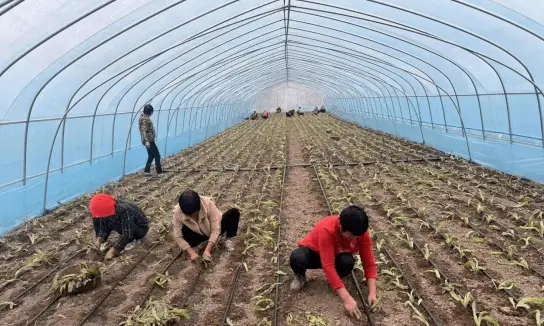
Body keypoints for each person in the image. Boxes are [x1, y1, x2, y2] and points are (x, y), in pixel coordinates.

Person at [289, 205, 377, 320]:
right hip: (314, 254)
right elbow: (328, 266)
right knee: (297, 257)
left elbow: (369, 262)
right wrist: (347, 298)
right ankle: (300, 277)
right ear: (341, 225)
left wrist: (372, 292)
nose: (355, 239)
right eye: (352, 236)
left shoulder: (360, 233)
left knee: (347, 261)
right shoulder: (326, 229)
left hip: (336, 255)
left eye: (357, 236)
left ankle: (336, 281)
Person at [172, 189, 240, 262]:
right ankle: (197, 246)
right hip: (197, 234)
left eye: (193, 213)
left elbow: (215, 229)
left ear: (199, 208)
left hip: (212, 228)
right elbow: (178, 236)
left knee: (234, 213)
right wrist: (191, 252)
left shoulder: (208, 204)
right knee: (183, 230)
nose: (192, 216)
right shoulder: (177, 212)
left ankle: (228, 239)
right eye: (189, 215)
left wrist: (207, 250)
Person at [90, 194, 149, 260]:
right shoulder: (108, 211)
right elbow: (104, 225)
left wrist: (114, 250)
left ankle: (136, 240)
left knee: (127, 234)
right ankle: (121, 242)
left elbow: (127, 233)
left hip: (140, 228)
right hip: (124, 225)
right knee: (108, 221)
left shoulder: (125, 211)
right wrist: (99, 240)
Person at [139, 104, 163, 174]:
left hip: (149, 140)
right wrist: (146, 141)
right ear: (149, 112)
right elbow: (143, 130)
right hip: (149, 140)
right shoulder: (144, 119)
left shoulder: (143, 117)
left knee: (151, 155)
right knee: (157, 155)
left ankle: (147, 170)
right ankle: (159, 172)